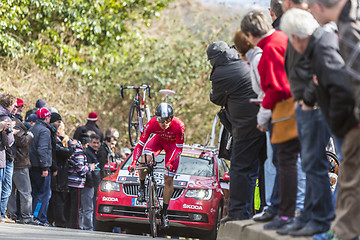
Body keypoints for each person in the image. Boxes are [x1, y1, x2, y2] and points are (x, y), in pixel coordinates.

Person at [281, 7, 360, 240]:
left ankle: (338, 229)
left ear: (296, 38)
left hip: (347, 122)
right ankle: (338, 229)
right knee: (347, 177)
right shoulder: (321, 43)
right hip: (340, 119)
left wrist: (337, 121)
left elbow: (341, 86)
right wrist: (308, 98)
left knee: (349, 178)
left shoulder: (323, 48)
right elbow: (321, 81)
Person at [275, 0, 334, 237]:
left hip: (315, 106)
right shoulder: (306, 32)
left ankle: (320, 218)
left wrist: (307, 99)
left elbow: (320, 73)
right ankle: (310, 215)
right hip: (303, 103)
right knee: (310, 163)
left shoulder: (320, 36)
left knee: (315, 164)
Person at [241, 10, 301, 230]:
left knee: (284, 162)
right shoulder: (283, 38)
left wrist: (263, 114)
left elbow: (276, 88)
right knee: (282, 161)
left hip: (284, 110)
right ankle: (277, 207)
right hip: (296, 106)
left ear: (250, 34)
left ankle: (284, 213)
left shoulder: (269, 49)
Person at [206, 41, 266, 221]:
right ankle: (265, 209)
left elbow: (215, 98)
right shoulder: (244, 59)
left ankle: (240, 214)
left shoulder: (221, 72)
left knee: (241, 170)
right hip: (266, 120)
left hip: (245, 126)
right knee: (264, 168)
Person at [128, 103, 185, 229]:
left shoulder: (179, 126)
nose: (164, 123)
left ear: (172, 118)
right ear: (156, 118)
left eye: (167, 120)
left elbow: (179, 149)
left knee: (168, 179)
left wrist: (169, 163)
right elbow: (140, 145)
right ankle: (142, 187)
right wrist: (134, 162)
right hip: (158, 141)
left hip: (172, 147)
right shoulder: (152, 124)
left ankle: (164, 213)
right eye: (160, 120)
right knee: (143, 161)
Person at [7, 98, 34, 224]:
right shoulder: (14, 122)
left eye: (22, 106)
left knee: (10, 191)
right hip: (19, 162)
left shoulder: (12, 121)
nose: (21, 108)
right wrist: (30, 136)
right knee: (25, 192)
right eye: (19, 106)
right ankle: (27, 218)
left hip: (13, 161)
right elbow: (21, 141)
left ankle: (11, 214)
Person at [47, 112, 74, 227]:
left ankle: (48, 218)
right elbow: (56, 151)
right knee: (51, 197)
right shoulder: (50, 134)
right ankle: (44, 217)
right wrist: (72, 147)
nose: (59, 125)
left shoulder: (55, 136)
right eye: (58, 122)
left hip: (57, 170)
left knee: (53, 197)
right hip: (55, 171)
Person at [28, 107, 53, 226]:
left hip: (32, 166)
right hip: (40, 167)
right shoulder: (44, 131)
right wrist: (45, 168)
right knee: (43, 194)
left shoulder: (33, 128)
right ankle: (38, 216)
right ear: (47, 118)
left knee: (34, 192)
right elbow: (42, 150)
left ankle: (33, 215)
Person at [67, 133, 95, 229]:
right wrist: (90, 167)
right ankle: (75, 226)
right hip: (76, 183)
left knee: (71, 206)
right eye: (87, 144)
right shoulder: (79, 152)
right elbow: (81, 169)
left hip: (71, 181)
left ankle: (70, 224)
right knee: (76, 207)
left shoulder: (73, 149)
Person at [0, 93, 16, 223]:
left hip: (5, 156)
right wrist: (12, 133)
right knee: (4, 185)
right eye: (14, 105)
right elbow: (7, 141)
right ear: (9, 105)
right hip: (3, 155)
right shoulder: (6, 118)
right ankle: (1, 212)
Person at [82, 133, 101, 231]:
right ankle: (87, 227)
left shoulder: (94, 153)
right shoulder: (88, 153)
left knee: (89, 207)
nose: (96, 145)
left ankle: (87, 226)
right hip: (88, 184)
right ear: (89, 143)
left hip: (93, 184)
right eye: (94, 142)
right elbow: (88, 169)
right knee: (87, 207)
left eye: (98, 143)